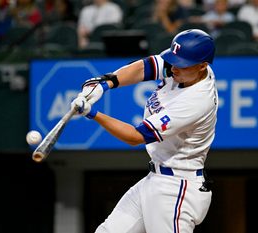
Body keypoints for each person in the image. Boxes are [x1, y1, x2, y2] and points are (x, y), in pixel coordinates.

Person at [71, 29, 217, 233]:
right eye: (174, 61)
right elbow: (145, 67)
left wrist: (93, 113)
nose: (174, 68)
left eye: (181, 64)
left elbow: (135, 137)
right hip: (155, 178)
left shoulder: (196, 100)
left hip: (177, 188)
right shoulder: (187, 69)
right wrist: (105, 83)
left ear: (203, 66)